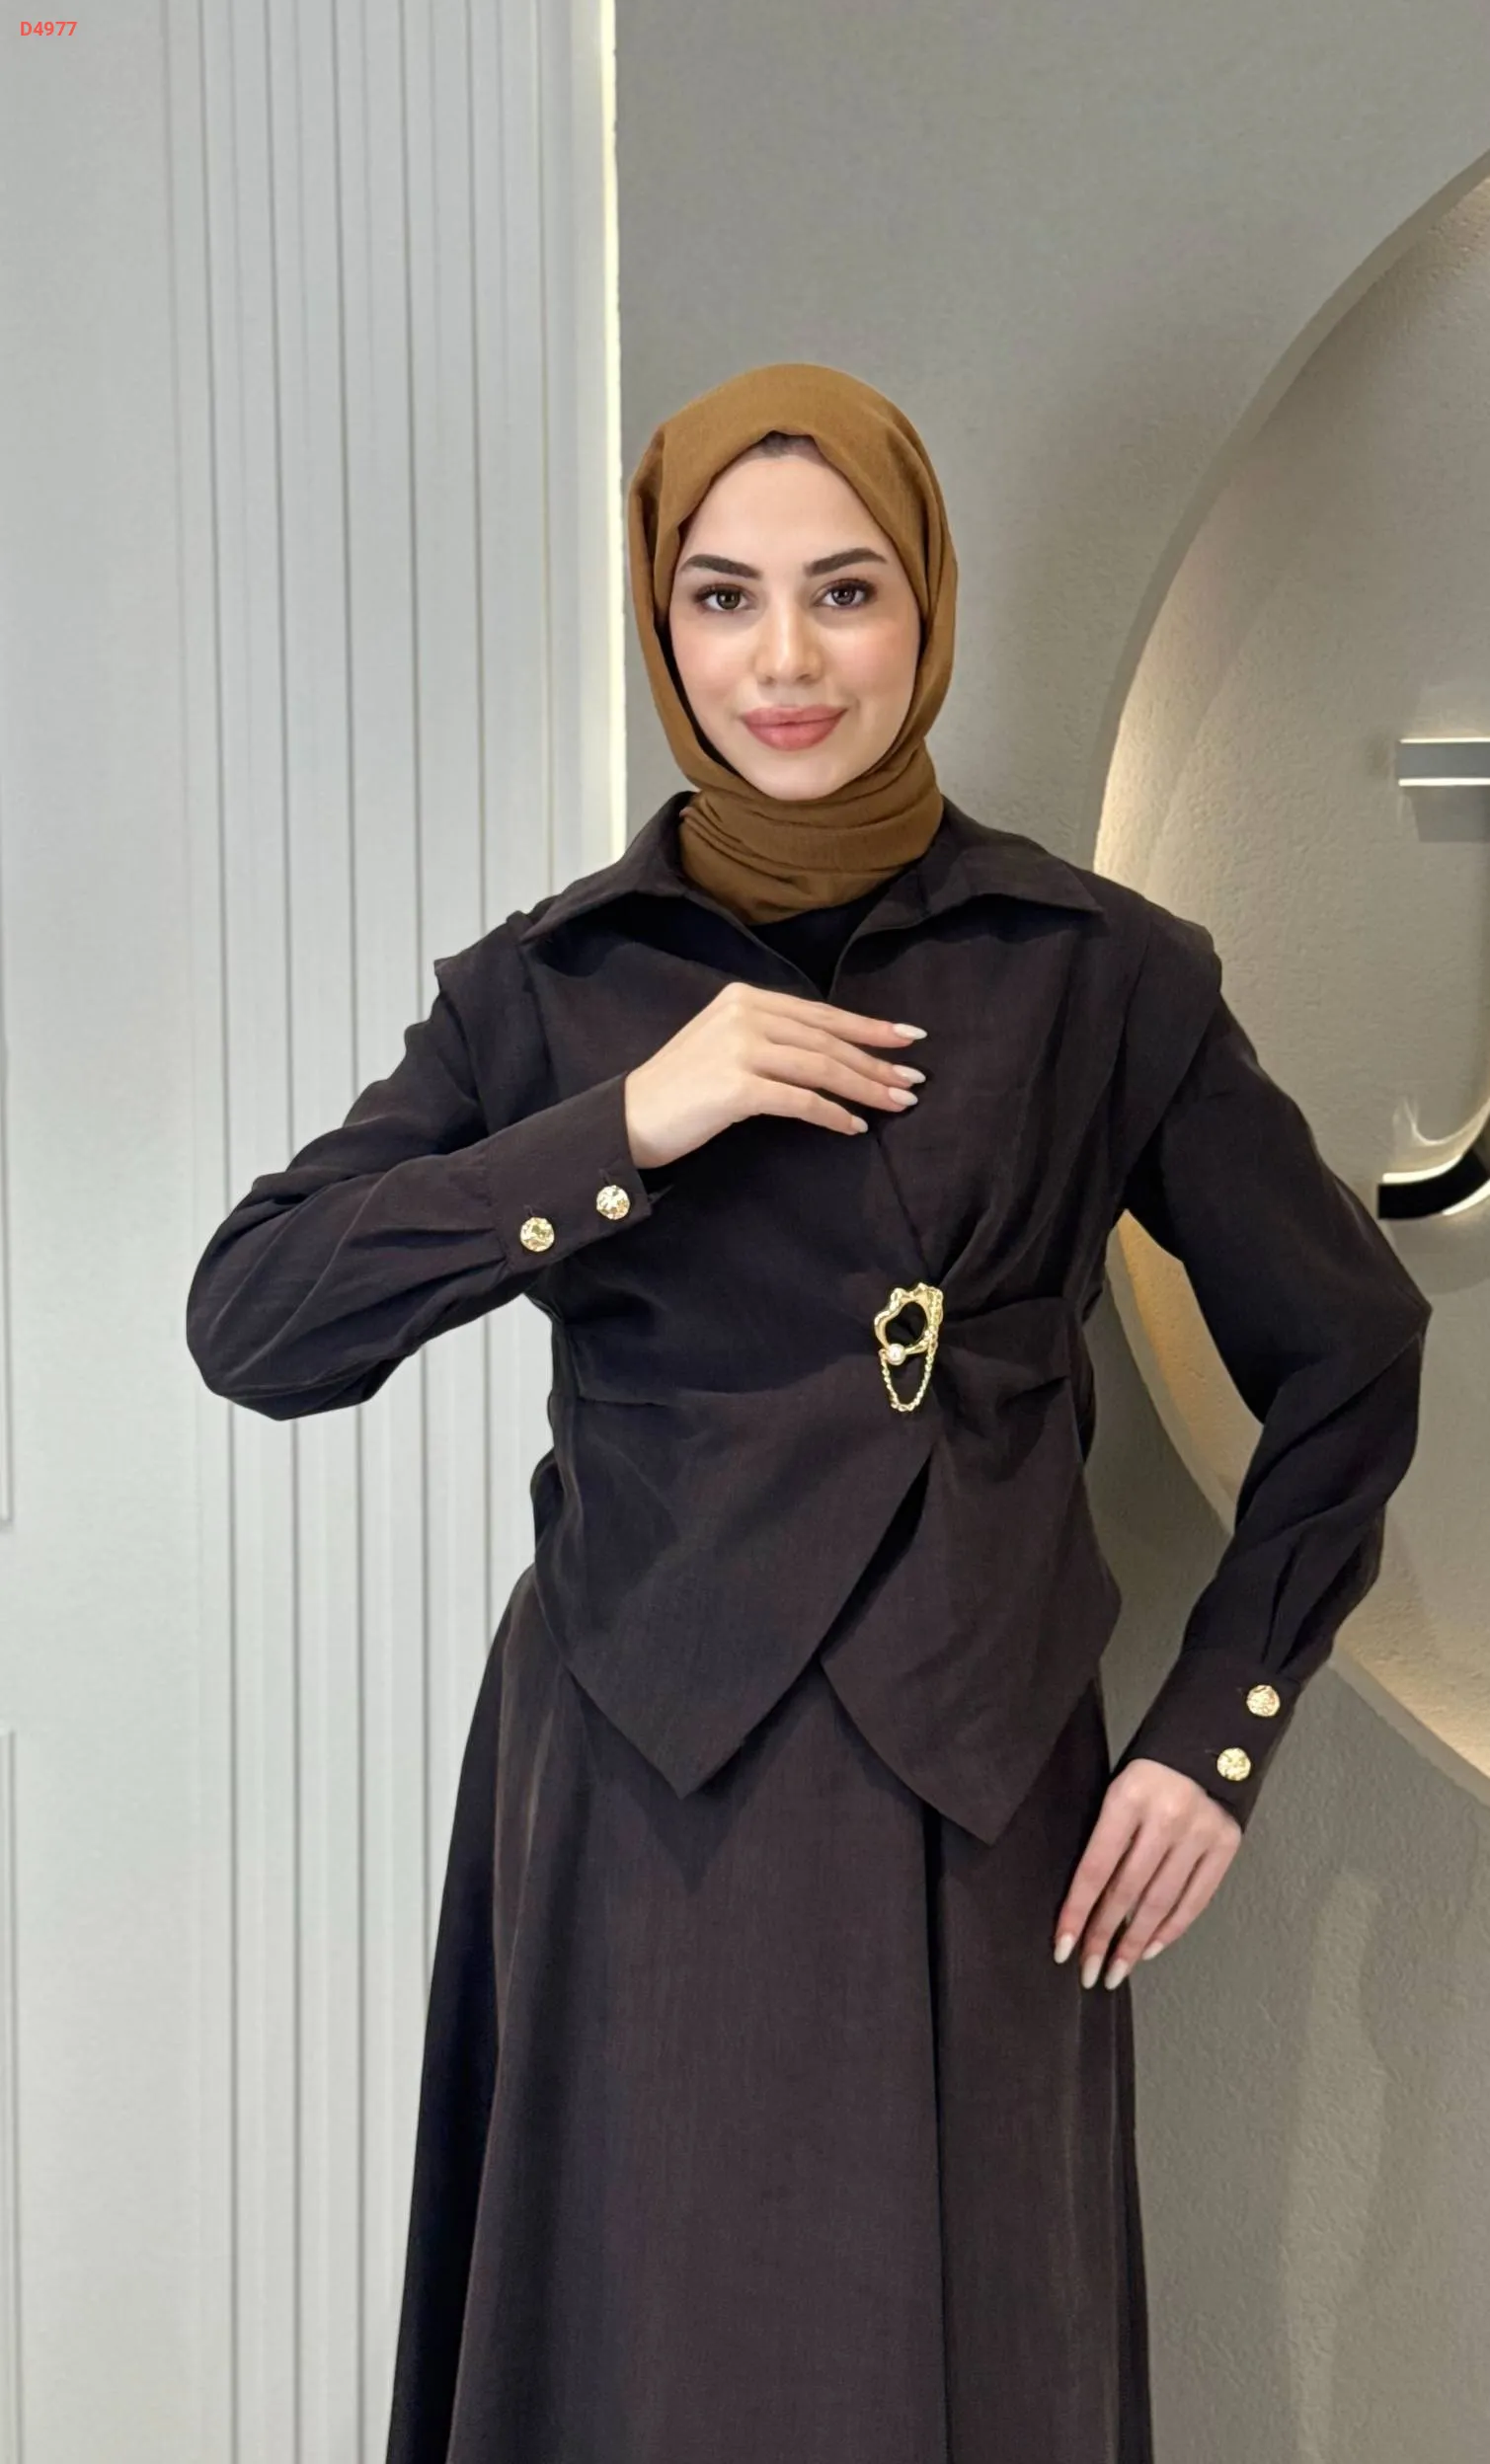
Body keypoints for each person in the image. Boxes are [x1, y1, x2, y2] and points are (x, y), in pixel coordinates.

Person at [185, 359, 1433, 2463]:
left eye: (844, 591)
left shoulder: (1094, 969)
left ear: (924, 608)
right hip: (635, 1780)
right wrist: (629, 1121)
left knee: (969, 2362)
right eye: (722, 596)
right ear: (660, 625)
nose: (783, 658)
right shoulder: (548, 992)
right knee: (638, 2359)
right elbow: (258, 1321)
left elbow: (1349, 1347)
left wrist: (1215, 1733)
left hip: (975, 1792)